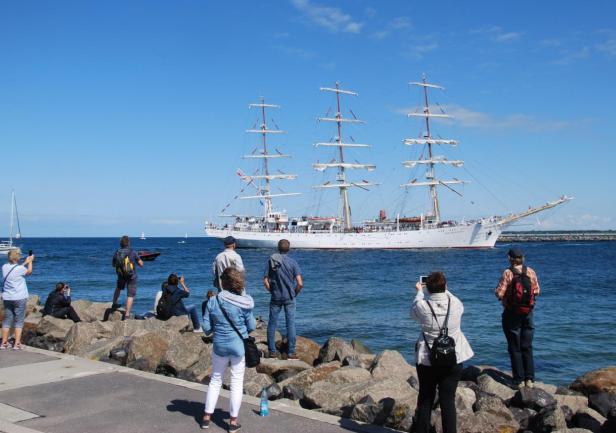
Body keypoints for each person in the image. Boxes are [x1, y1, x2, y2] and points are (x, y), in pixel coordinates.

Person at [411, 271, 474, 433]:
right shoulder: (456, 304)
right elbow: (450, 297)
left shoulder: (422, 306)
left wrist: (420, 291)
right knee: (448, 401)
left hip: (427, 359)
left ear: (428, 288)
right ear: (445, 286)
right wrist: (443, 288)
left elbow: (413, 312)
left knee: (425, 398)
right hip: (452, 358)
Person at [202, 267, 256, 432]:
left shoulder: (213, 301)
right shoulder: (243, 302)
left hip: (219, 345)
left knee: (215, 380)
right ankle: (233, 422)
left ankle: (206, 418)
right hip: (238, 346)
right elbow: (252, 326)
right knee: (236, 382)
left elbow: (206, 328)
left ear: (222, 283)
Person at [495, 248, 541, 389]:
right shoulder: (530, 271)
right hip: (528, 312)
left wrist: (501, 294)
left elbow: (499, 293)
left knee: (514, 346)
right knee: (527, 345)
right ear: (523, 258)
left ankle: (518, 380)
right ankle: (530, 379)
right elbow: (537, 291)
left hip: (511, 313)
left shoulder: (508, 273)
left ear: (510, 258)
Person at [263, 239, 303, 359]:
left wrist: (271, 291)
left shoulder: (271, 261)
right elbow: (300, 283)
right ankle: (291, 352)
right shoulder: (293, 263)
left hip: (276, 296)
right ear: (288, 249)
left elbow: (265, 281)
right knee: (290, 324)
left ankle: (272, 351)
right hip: (289, 296)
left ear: (278, 248)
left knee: (272, 323)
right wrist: (294, 293)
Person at [1, 248, 34, 350]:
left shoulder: (4, 267)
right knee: (19, 321)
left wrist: (25, 262)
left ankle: (4, 343)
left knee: (7, 320)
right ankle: (17, 343)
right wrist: (30, 262)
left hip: (7, 297)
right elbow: (29, 272)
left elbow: (16, 269)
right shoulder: (20, 269)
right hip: (19, 297)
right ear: (17, 257)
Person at [111, 235, 143, 319]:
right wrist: (138, 259)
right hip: (131, 276)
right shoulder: (132, 252)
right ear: (128, 243)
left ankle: (114, 303)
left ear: (121, 243)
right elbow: (141, 264)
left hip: (121, 274)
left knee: (118, 288)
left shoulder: (117, 252)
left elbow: (113, 264)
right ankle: (127, 315)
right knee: (130, 295)